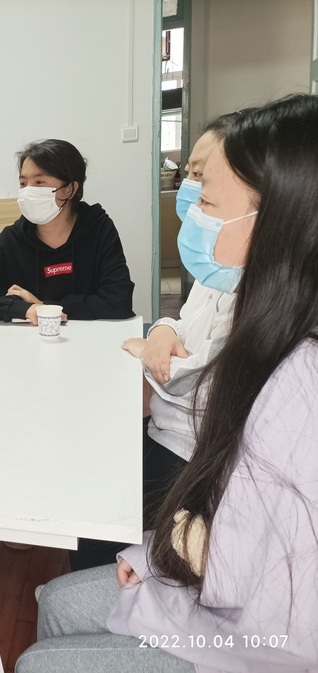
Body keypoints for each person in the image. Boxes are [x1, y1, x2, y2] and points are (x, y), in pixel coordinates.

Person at [16, 93, 318, 672]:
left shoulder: (294, 372)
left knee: (40, 656)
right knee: (60, 596)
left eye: (206, 197)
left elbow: (251, 572)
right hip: (212, 563)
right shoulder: (254, 300)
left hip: (259, 632)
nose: (192, 209)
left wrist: (162, 562)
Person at [69, 112, 242, 571]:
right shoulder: (218, 267)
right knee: (90, 465)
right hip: (166, 426)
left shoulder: (96, 225)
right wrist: (161, 332)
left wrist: (151, 350)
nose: (190, 189)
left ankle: (92, 590)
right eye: (188, 173)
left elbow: (197, 376)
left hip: (193, 453)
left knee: (98, 505)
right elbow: (181, 326)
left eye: (201, 180)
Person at [0, 139, 134, 324]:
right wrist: (23, 309)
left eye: (39, 182)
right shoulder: (13, 238)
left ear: (70, 189)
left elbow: (119, 301)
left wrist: (45, 307)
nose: (28, 191)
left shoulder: (98, 229)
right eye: (23, 183)